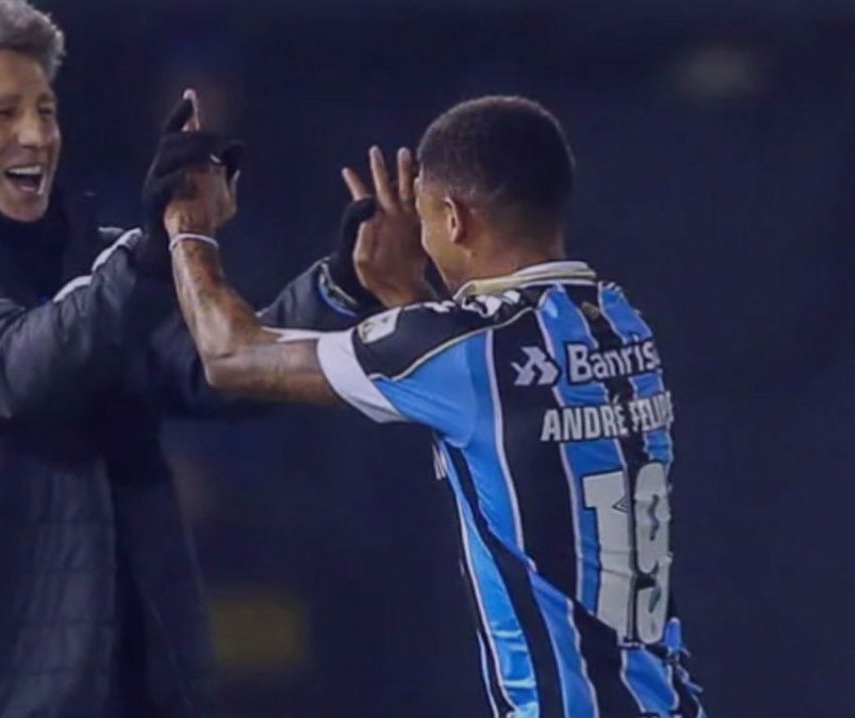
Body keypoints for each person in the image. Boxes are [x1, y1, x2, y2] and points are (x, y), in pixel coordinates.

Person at [0, 1, 393, 716]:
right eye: (2, 113)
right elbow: (16, 369)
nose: (36, 135)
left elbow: (221, 369)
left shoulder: (92, 258)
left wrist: (341, 286)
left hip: (126, 689)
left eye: (45, 110)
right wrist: (152, 252)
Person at [163, 94, 707, 717]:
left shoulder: (464, 349)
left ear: (453, 220)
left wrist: (188, 227)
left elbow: (230, 355)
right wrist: (406, 294)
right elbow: (495, 387)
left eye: (423, 217)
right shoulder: (619, 322)